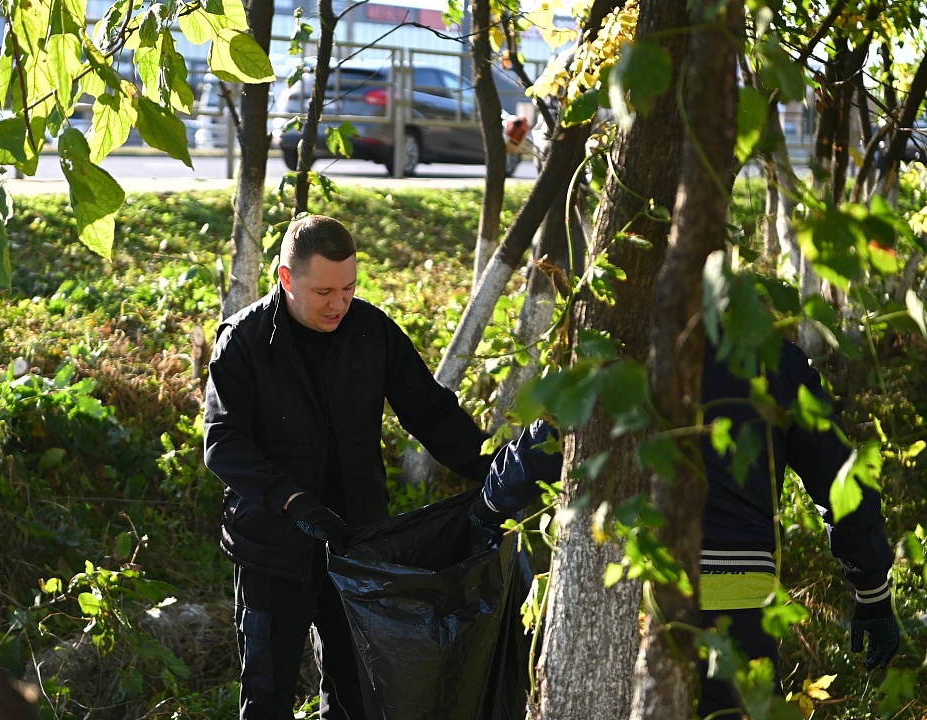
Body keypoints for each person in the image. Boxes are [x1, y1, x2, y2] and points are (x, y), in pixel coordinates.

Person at [472, 336, 899, 715]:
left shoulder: (620, 351)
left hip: (641, 605)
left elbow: (541, 446)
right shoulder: (776, 359)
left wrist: (486, 509)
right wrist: (872, 589)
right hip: (741, 616)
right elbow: (843, 481)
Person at [203, 215, 495, 720]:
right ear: (286, 278)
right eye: (324, 292)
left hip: (357, 549)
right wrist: (293, 501)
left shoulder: (373, 331)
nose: (339, 304)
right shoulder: (243, 341)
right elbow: (222, 442)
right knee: (266, 699)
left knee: (356, 697)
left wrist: (494, 465)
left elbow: (430, 410)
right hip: (273, 549)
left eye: (349, 288)